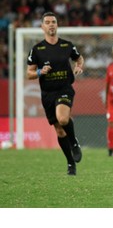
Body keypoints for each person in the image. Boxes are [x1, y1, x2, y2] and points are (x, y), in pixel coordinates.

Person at [26, 12, 83, 175]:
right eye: (47, 22)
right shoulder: (37, 50)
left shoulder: (67, 45)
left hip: (64, 88)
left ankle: (74, 143)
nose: (51, 24)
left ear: (57, 25)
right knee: (59, 129)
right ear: (42, 27)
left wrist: (79, 66)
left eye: (53, 22)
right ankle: (71, 163)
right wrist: (39, 71)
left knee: (63, 118)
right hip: (47, 94)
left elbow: (79, 58)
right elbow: (29, 73)